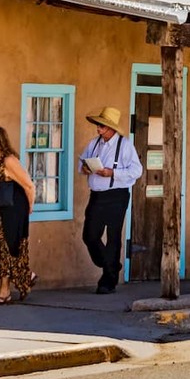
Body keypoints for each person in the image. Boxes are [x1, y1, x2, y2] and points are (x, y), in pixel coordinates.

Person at [79, 106, 143, 294]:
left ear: (111, 128)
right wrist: (84, 168)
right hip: (97, 195)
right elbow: (81, 162)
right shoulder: (94, 143)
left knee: (113, 237)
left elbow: (136, 171)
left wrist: (112, 172)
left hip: (117, 195)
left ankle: (108, 281)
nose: (98, 129)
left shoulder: (125, 145)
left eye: (101, 126)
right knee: (89, 235)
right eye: (98, 126)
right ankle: (110, 264)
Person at [0, 124, 38, 304]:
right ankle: (27, 276)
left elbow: (29, 185)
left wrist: (29, 208)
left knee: (8, 247)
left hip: (12, 210)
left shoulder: (9, 161)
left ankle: (5, 292)